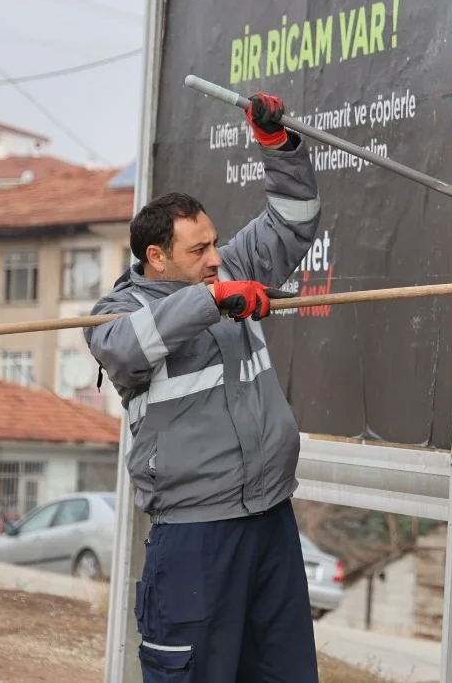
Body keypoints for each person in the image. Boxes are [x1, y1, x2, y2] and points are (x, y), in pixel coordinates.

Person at [86, 92, 322, 683]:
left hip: (270, 518)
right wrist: (211, 301)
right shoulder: (119, 312)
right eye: (201, 250)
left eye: (216, 243)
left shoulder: (228, 272)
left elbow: (295, 221)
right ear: (157, 258)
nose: (218, 258)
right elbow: (120, 347)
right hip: (195, 536)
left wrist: (278, 147)